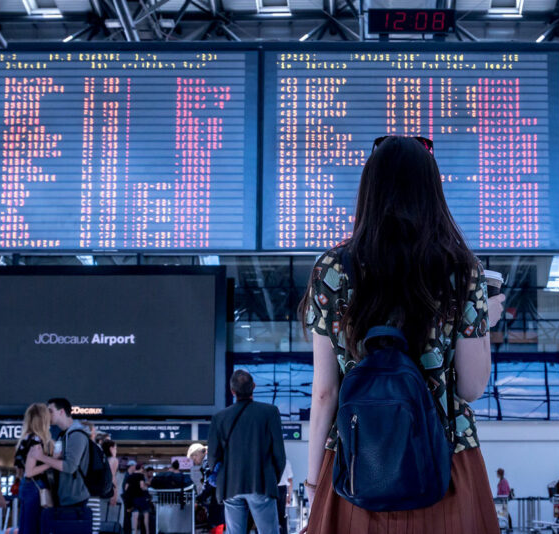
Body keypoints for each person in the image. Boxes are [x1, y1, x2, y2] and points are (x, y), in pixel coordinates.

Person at [299, 135, 506, 534]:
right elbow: (471, 386)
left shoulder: (332, 268)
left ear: (369, 190)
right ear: (432, 191)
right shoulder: (462, 269)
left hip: (357, 462)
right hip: (445, 461)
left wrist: (313, 482)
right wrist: (482, 326)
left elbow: (325, 392)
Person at [208, 369, 286, 534]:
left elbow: (213, 457)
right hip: (262, 483)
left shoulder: (219, 418)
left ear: (232, 391)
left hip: (230, 486)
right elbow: (279, 453)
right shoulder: (269, 412)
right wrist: (273, 477)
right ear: (254, 387)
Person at [30, 398, 92, 510]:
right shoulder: (63, 435)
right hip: (65, 497)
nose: (47, 414)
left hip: (74, 499)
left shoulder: (76, 435)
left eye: (50, 411)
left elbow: (70, 467)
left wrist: (41, 457)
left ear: (61, 412)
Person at [14, 403, 55, 534]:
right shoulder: (36, 442)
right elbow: (29, 472)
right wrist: (52, 462)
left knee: (26, 526)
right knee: (35, 527)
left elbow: (20, 470)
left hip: (26, 488)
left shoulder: (24, 440)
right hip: (36, 489)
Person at [188, 443, 224, 534]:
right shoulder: (214, 456)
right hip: (225, 494)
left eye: (194, 458)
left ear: (198, 454)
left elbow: (209, 483)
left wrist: (199, 498)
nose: (195, 461)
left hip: (219, 497)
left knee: (217, 523)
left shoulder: (207, 461)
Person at [123, 464, 151, 534]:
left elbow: (126, 488)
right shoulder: (141, 475)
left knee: (135, 515)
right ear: (141, 469)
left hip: (132, 498)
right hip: (141, 497)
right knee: (145, 514)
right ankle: (147, 532)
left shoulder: (130, 476)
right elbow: (142, 486)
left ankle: (134, 532)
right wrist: (146, 487)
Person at [101, 440, 121, 530]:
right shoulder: (113, 460)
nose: (116, 450)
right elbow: (112, 476)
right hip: (109, 490)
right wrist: (115, 493)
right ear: (111, 448)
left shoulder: (103, 458)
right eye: (115, 448)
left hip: (101, 489)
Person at [277, 460, 294, 534]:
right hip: (282, 489)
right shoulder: (285, 461)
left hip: (268, 489)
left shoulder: (265, 457)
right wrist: (289, 497)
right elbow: (290, 480)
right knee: (282, 518)